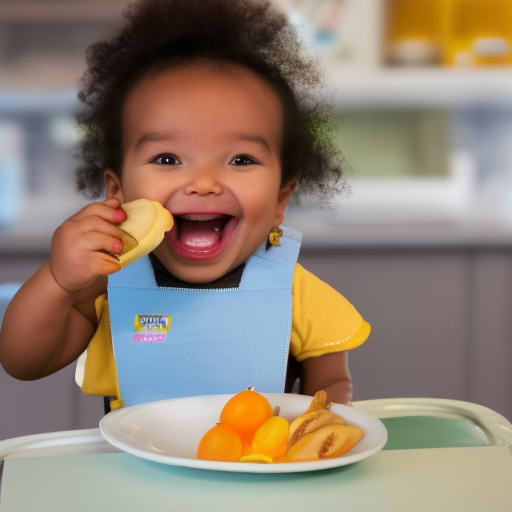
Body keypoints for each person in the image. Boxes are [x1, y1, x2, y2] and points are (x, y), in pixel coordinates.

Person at [0, 0, 370, 411]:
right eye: (167, 159)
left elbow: (333, 385)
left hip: (257, 472)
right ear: (117, 191)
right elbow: (23, 362)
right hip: (133, 474)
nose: (203, 184)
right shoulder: (110, 282)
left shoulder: (295, 292)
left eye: (240, 160)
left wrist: (327, 423)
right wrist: (57, 280)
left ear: (281, 198)